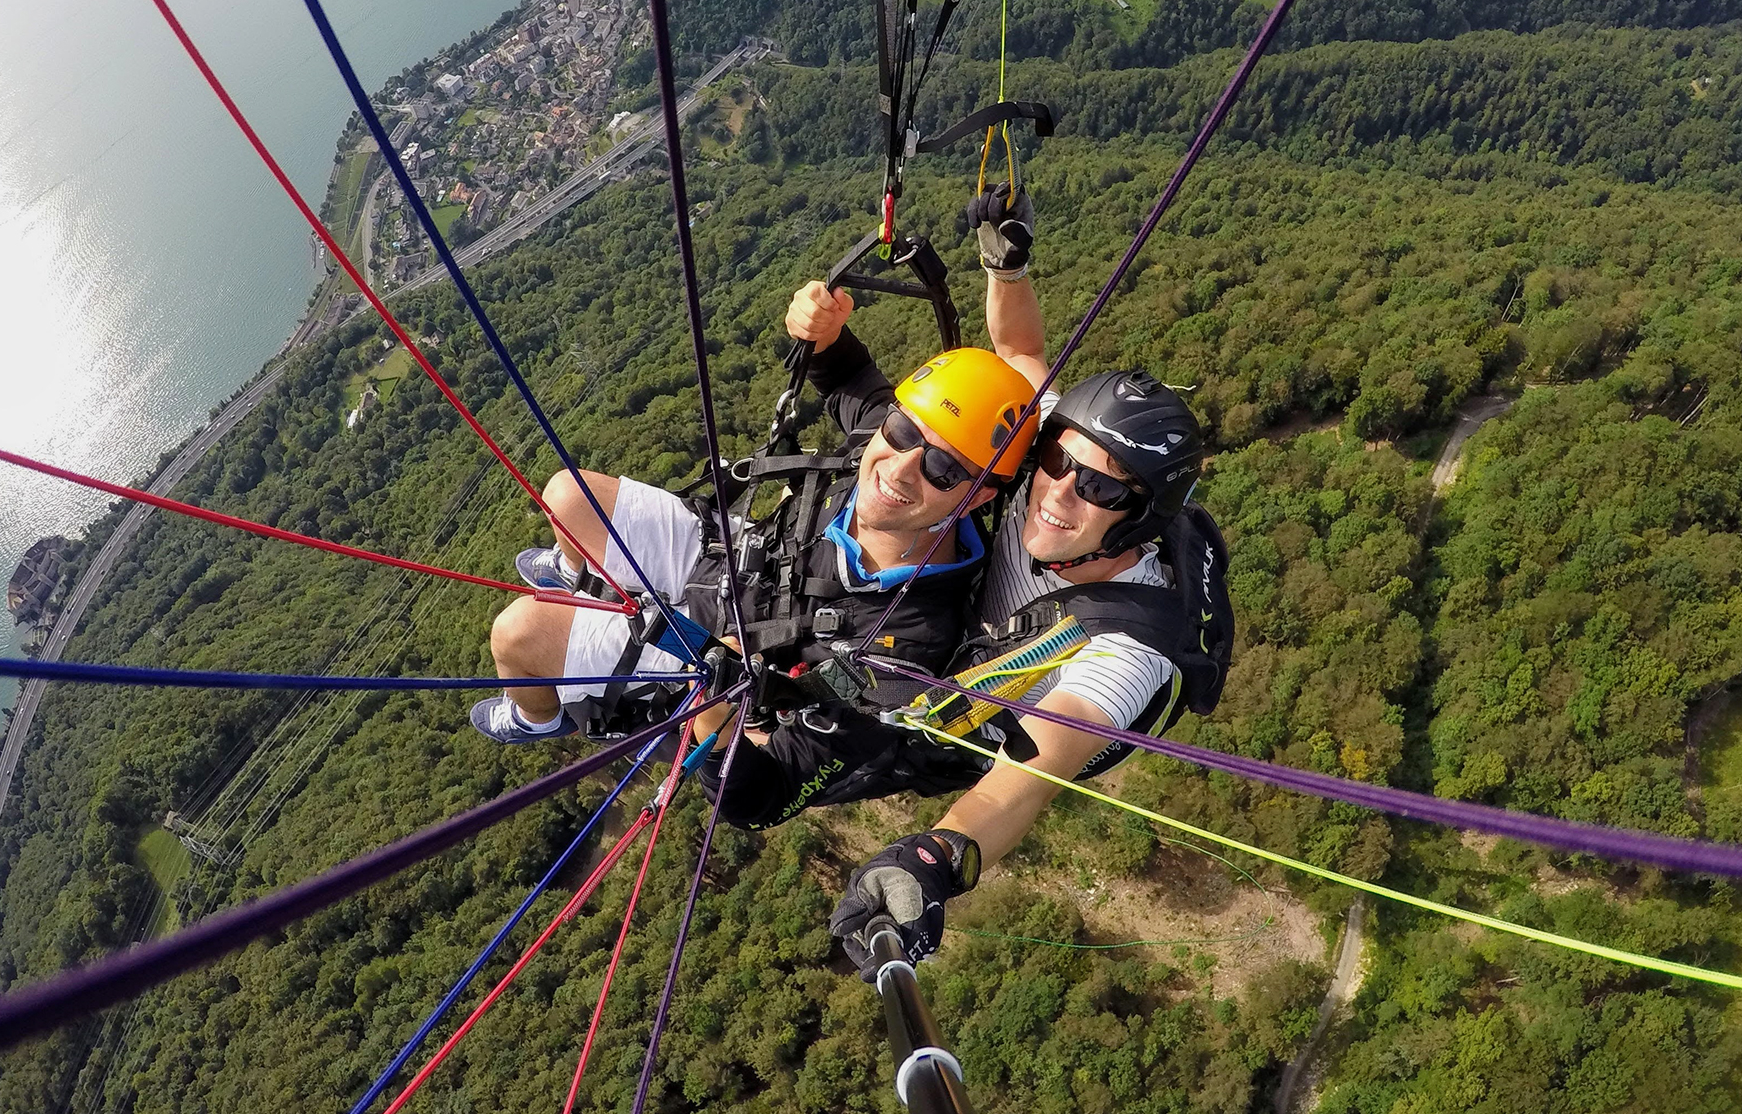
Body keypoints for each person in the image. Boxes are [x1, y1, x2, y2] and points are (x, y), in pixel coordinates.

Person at [801, 185, 1236, 973]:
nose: (1058, 491)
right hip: (966, 617)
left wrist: (934, 861)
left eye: (1099, 489)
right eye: (1052, 462)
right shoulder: (1064, 464)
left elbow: (1034, 768)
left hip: (978, 712)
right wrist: (1007, 269)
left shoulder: (1126, 651)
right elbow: (1020, 362)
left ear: (1136, 517)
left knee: (790, 743)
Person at [467, 279, 1039, 744]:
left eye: (942, 469)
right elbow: (846, 375)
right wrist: (823, 329)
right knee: (568, 495)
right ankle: (584, 579)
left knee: (519, 634)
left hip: (722, 657)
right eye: (903, 429)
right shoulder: (884, 439)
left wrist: (733, 698)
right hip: (737, 559)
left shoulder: (910, 633)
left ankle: (536, 718)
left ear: (980, 495)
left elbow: (795, 751)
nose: (900, 466)